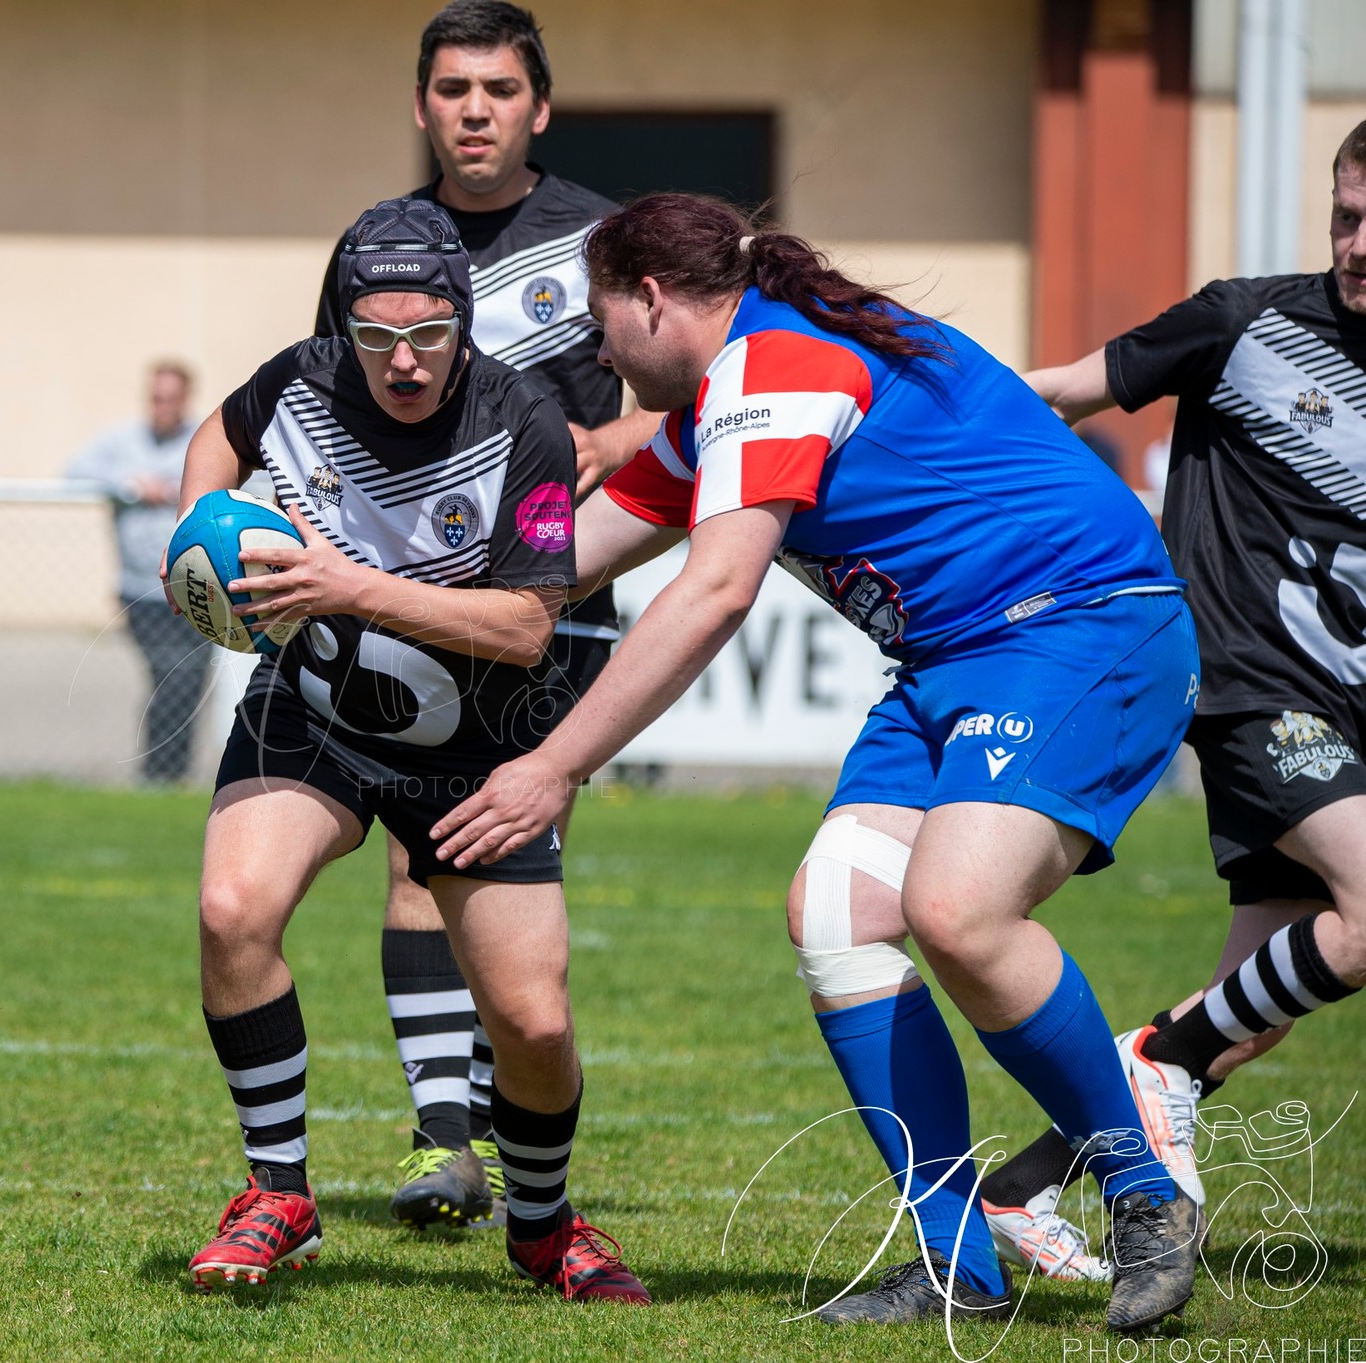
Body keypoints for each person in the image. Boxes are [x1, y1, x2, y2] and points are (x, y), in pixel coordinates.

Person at [430, 192, 1205, 1332]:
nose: (597, 351)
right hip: (955, 662)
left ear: (652, 298)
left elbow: (710, 593)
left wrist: (551, 766)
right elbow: (554, 571)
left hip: (1081, 626)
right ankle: (956, 1265)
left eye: (603, 321)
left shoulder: (774, 364)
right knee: (836, 914)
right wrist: (357, 594)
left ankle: (1145, 1195)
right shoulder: (711, 410)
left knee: (955, 908)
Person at [173, 196, 648, 1303]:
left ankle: (539, 1226)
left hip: (478, 741)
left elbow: (529, 626)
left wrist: (350, 586)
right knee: (231, 909)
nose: (401, 361)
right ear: (343, 323)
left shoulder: (520, 420)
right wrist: (198, 525)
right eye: (375, 335)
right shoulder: (296, 376)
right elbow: (221, 435)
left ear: (461, 320)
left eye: (426, 335)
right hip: (314, 708)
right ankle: (277, 1193)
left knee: (531, 1018)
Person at [973, 117, 1366, 1273]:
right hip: (1250, 685)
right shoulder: (1243, 323)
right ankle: (1162, 1067)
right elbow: (1052, 392)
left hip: (1345, 707)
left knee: (1244, 1010)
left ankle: (1026, 1185)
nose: (1357, 242)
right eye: (1346, 215)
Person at [310, 0, 663, 1229]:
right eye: (453, 89)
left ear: (538, 108)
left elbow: (690, 399)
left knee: (492, 863)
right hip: (402, 595)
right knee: (420, 847)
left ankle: (506, 1125)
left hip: (549, 600)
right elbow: (324, 401)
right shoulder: (382, 245)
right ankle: (447, 1137)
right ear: (421, 107)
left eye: (498, 90)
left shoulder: (602, 241)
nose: (474, 110)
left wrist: (602, 440)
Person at [68, 360, 208, 783]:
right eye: (155, 397)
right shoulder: (122, 442)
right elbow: (73, 472)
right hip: (140, 591)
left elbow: (251, 484)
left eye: (170, 398)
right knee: (170, 674)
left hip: (196, 587)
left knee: (187, 677)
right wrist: (132, 485)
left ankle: (167, 774)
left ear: (185, 399)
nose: (161, 406)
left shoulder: (204, 442)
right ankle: (161, 773)